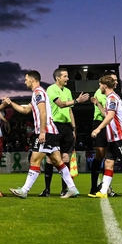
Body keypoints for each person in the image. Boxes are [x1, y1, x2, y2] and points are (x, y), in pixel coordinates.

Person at [6, 70, 80, 199]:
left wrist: (42, 132)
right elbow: (25, 110)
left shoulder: (38, 92)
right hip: (52, 131)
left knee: (34, 160)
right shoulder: (39, 93)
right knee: (58, 161)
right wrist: (10, 103)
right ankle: (72, 188)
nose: (24, 82)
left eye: (26, 79)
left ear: (32, 79)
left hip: (47, 132)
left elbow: (43, 112)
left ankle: (24, 190)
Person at [43, 68, 89, 197]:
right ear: (57, 78)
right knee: (50, 158)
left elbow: (69, 110)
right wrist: (77, 101)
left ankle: (65, 189)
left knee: (65, 157)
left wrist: (73, 129)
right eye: (65, 76)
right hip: (54, 126)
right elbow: (61, 104)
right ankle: (47, 189)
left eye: (67, 76)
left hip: (67, 127)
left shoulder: (68, 91)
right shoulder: (51, 89)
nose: (67, 78)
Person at [89, 70, 122, 197]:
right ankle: (95, 187)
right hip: (101, 124)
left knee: (108, 158)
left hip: (109, 125)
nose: (116, 81)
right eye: (114, 79)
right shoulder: (103, 93)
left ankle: (104, 187)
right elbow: (107, 114)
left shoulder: (113, 95)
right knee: (101, 156)